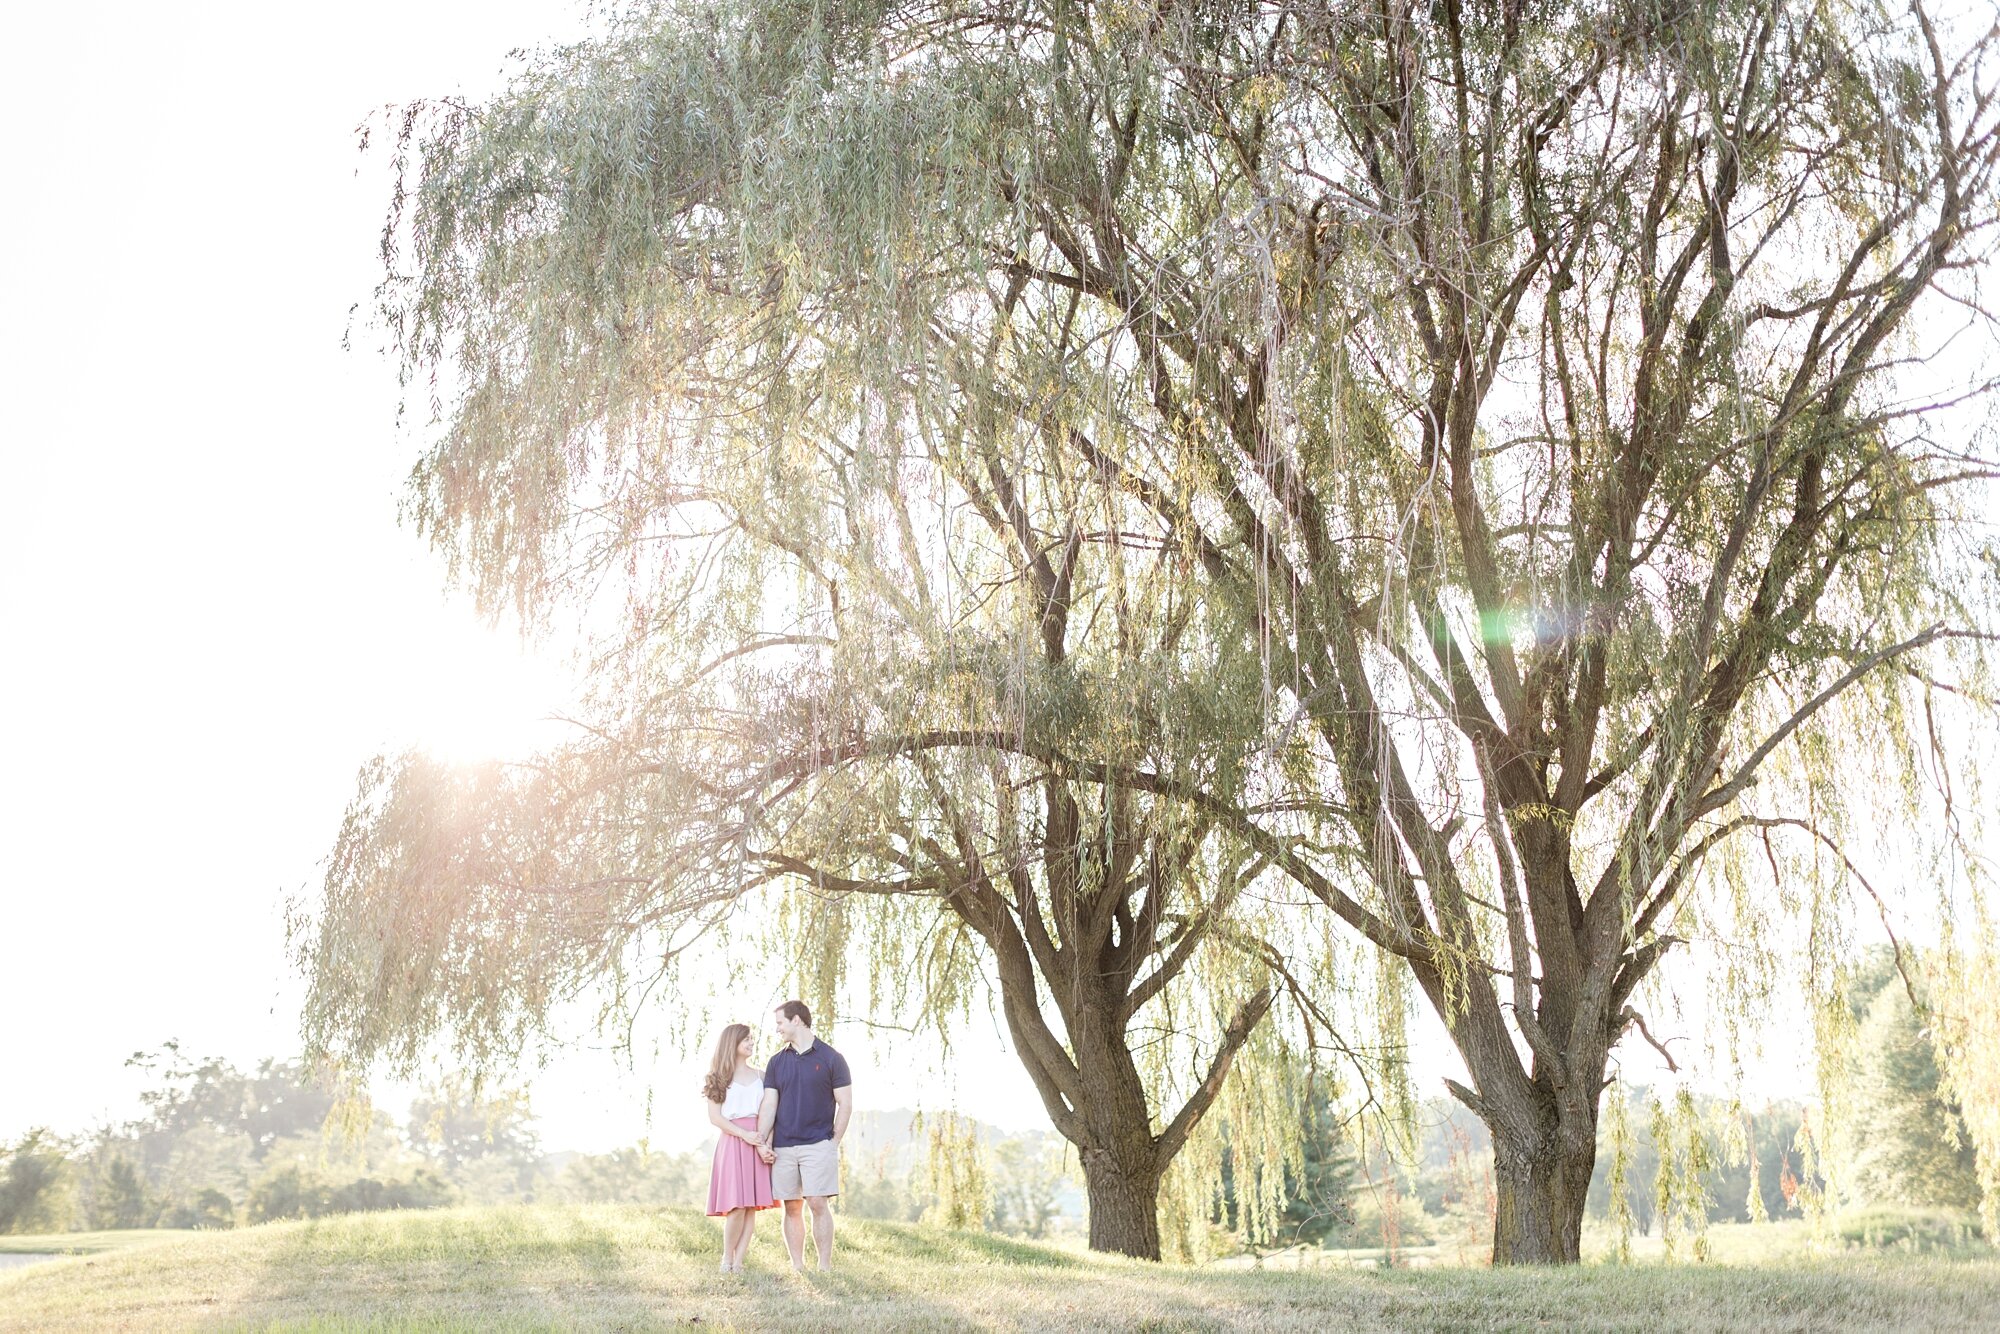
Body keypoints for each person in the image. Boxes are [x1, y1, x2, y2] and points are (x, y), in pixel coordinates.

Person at [755, 1000, 852, 1272]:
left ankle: (824, 1266)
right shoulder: (776, 1062)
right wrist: (762, 1141)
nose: (778, 1030)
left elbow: (845, 1103)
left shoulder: (832, 1059)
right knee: (792, 1206)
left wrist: (834, 1142)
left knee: (817, 1202)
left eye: (780, 1023)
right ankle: (797, 1266)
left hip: (819, 1143)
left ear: (796, 1020)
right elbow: (770, 1104)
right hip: (784, 1146)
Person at [703, 1022, 776, 1272]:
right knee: (736, 1206)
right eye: (746, 1039)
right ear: (732, 1043)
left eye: (752, 1039)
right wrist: (744, 1135)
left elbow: (771, 1112)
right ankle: (726, 1258)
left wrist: (766, 1144)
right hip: (733, 1142)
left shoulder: (762, 1076)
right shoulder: (718, 1078)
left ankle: (739, 1261)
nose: (751, 1043)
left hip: (758, 1140)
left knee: (750, 1206)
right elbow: (716, 1118)